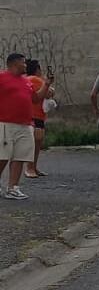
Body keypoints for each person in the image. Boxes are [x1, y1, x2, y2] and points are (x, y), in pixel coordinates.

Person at [0, 52, 54, 199]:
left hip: (25, 124)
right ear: (14, 63)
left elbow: (36, 99)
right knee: (3, 156)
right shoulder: (2, 77)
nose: (25, 65)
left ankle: (13, 188)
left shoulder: (26, 81)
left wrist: (47, 84)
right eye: (23, 62)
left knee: (20, 156)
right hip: (6, 123)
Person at [24, 59, 55, 178]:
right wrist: (47, 84)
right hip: (36, 115)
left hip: (35, 115)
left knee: (36, 143)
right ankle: (30, 168)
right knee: (35, 144)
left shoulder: (28, 80)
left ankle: (33, 167)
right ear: (37, 69)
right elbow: (49, 93)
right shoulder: (35, 80)